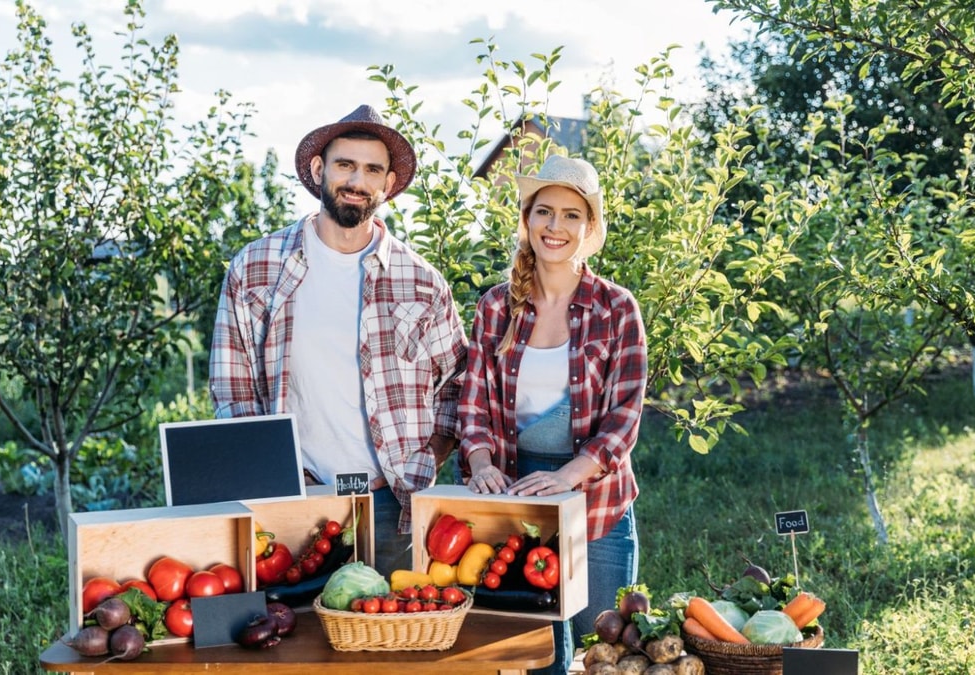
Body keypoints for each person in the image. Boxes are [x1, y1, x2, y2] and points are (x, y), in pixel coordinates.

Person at [209, 104, 469, 575]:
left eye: (372, 170)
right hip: (292, 499)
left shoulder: (422, 282)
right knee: (289, 622)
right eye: (345, 164)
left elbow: (455, 384)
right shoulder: (256, 268)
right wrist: (274, 477)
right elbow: (233, 391)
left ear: (388, 183)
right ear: (318, 170)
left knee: (391, 620)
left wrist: (426, 459)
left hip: (394, 504)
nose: (357, 180)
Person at [458, 154, 647, 675]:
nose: (554, 226)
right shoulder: (496, 307)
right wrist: (480, 464)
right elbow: (473, 401)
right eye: (544, 211)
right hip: (517, 493)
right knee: (538, 654)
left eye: (570, 215)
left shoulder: (616, 308)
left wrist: (568, 476)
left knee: (609, 644)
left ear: (588, 228)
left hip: (596, 495)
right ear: (527, 219)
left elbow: (625, 414)